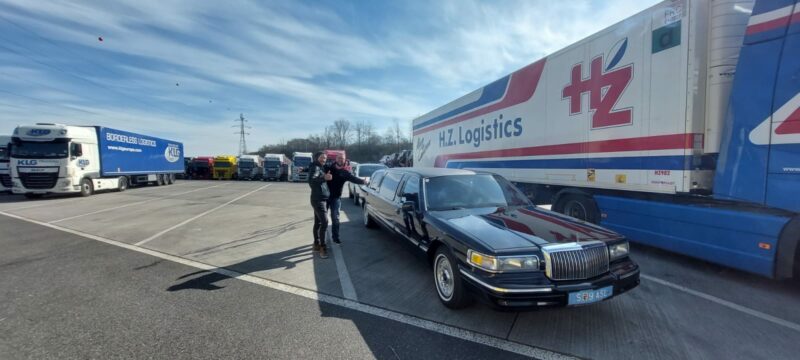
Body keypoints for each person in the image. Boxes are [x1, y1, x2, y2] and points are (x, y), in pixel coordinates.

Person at [326, 153, 367, 245]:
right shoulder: (329, 168)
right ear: (336, 159)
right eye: (339, 158)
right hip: (324, 197)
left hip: (336, 198)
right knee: (322, 219)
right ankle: (321, 239)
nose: (341, 160)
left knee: (335, 218)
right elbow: (318, 169)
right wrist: (304, 169)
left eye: (342, 158)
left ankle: (335, 238)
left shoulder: (345, 173)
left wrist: (363, 181)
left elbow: (354, 179)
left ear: (345, 160)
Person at [308, 151, 333, 258]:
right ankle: (322, 247)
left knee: (318, 222)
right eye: (322, 157)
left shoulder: (320, 166)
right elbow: (312, 181)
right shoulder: (316, 168)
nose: (324, 159)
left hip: (320, 198)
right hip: (318, 200)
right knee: (325, 222)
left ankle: (316, 244)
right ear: (317, 158)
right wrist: (324, 178)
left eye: (325, 158)